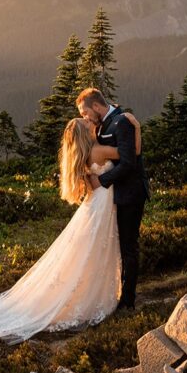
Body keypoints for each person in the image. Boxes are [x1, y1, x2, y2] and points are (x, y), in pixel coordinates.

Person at [0, 114, 140, 343]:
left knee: (87, 253)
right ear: (83, 132)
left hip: (94, 205)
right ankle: (94, 297)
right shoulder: (100, 151)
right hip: (101, 206)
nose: (90, 122)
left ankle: (85, 293)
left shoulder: (83, 154)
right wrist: (136, 126)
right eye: (86, 122)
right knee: (97, 252)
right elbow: (132, 154)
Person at [77, 88, 150, 310]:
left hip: (130, 194)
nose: (85, 117)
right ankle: (113, 292)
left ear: (97, 107)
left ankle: (127, 300)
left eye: (85, 112)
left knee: (128, 246)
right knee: (114, 246)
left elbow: (130, 162)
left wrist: (103, 180)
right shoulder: (101, 126)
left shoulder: (122, 122)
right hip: (112, 198)